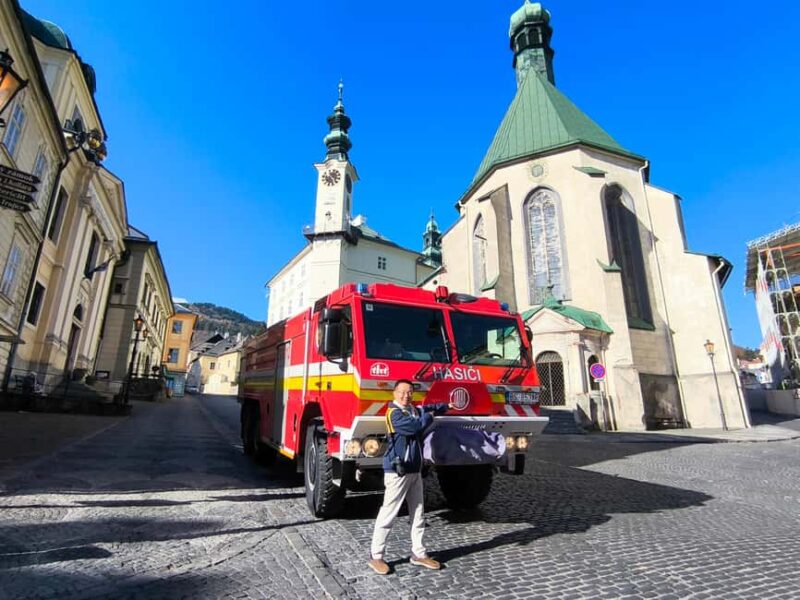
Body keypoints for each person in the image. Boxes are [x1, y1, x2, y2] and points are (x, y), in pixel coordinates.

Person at [368, 379, 451, 575]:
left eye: (410, 392)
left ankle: (419, 554)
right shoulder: (394, 414)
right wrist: (430, 416)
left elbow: (427, 408)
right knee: (389, 513)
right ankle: (376, 556)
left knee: (418, 513)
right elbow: (416, 427)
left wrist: (446, 406)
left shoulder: (413, 409)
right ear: (394, 393)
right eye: (402, 392)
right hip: (398, 471)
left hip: (414, 470)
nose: (406, 395)